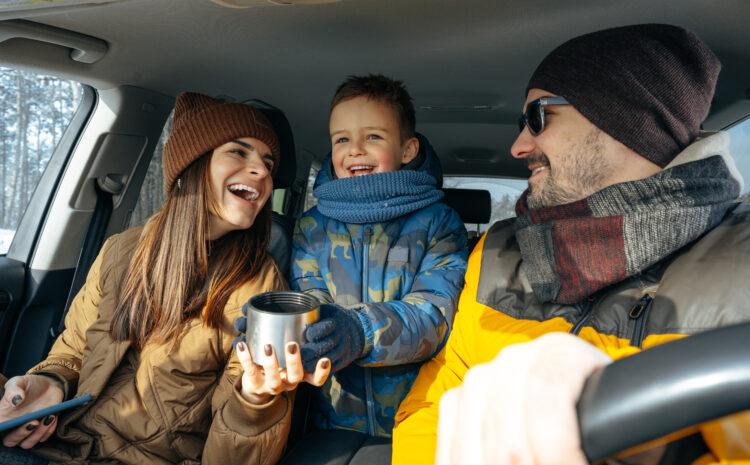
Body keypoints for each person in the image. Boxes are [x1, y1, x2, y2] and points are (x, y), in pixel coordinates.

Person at [393, 24, 750, 464]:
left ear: (621, 116)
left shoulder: (743, 259)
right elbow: (437, 397)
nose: (519, 145)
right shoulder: (497, 251)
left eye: (537, 117)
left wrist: (643, 444)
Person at [0, 92, 330, 465]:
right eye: (238, 152)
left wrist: (255, 403)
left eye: (268, 163)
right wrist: (51, 381)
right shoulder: (119, 251)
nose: (263, 171)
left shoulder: (262, 289)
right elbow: (73, 349)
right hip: (57, 445)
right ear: (192, 164)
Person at [289, 74, 468, 438]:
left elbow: (435, 314)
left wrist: (358, 330)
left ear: (407, 150)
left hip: (418, 419)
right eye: (342, 139)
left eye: (373, 136)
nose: (355, 149)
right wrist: (280, 331)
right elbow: (309, 299)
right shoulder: (312, 226)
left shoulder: (439, 222)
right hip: (332, 419)